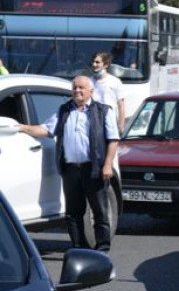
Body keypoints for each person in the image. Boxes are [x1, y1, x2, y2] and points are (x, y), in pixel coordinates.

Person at [18, 75, 120, 252]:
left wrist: (108, 164)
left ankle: (102, 249)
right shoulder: (64, 110)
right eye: (74, 88)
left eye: (81, 88)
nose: (77, 91)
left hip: (93, 169)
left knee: (100, 211)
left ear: (91, 91)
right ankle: (78, 247)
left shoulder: (103, 111)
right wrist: (21, 127)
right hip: (70, 169)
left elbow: (113, 140)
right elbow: (46, 130)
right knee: (73, 213)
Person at [92, 52, 126, 133]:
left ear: (106, 65)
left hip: (109, 123)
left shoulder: (115, 82)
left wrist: (121, 126)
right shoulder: (89, 81)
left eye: (97, 62)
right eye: (93, 62)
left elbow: (121, 105)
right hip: (93, 123)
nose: (94, 64)